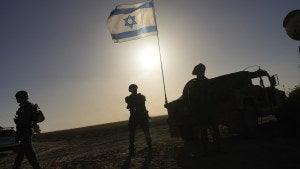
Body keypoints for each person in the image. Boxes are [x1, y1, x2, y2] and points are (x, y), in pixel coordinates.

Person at [183, 63, 222, 155]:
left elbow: (213, 96)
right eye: (200, 70)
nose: (202, 72)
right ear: (197, 72)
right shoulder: (193, 85)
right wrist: (194, 112)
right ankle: (205, 150)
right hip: (200, 112)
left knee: (215, 130)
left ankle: (219, 148)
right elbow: (191, 101)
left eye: (203, 70)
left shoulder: (208, 82)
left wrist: (215, 107)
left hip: (210, 110)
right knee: (203, 132)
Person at [13, 91, 41, 169]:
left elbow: (25, 121)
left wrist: (18, 121)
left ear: (22, 97)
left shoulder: (27, 107)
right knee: (20, 154)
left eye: (17, 97)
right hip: (23, 132)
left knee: (29, 153)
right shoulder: (24, 106)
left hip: (25, 132)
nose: (16, 99)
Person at [125, 84, 152, 156]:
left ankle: (132, 149)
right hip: (139, 116)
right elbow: (143, 107)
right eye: (133, 89)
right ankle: (149, 146)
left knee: (134, 133)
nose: (134, 90)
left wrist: (146, 115)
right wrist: (147, 115)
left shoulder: (129, 98)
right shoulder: (140, 97)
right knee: (143, 132)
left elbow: (143, 107)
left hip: (137, 116)